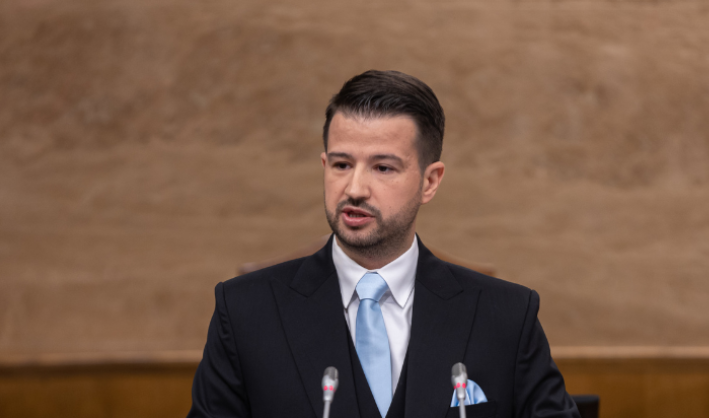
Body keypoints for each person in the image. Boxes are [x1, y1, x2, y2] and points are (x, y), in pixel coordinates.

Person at [187, 70, 579, 418]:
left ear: (430, 181)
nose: (355, 188)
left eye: (383, 167)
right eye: (342, 165)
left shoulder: (506, 315)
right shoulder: (245, 312)